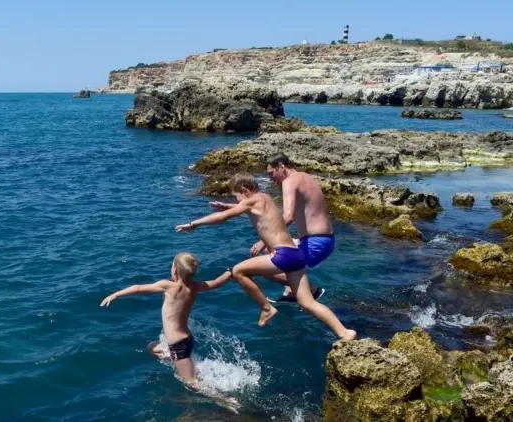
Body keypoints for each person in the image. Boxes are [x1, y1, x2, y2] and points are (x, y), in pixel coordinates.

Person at [175, 173, 356, 341]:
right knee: (307, 302)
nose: (237, 201)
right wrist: (232, 206)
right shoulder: (266, 198)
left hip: (282, 255)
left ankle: (266, 308)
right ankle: (345, 332)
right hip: (296, 254)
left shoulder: (252, 201)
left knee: (238, 271)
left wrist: (194, 224)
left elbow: (223, 217)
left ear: (245, 191)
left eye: (237, 197)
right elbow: (249, 209)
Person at [100, 252, 238, 409]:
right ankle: (179, 362)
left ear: (175, 270)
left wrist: (116, 294)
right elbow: (216, 282)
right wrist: (230, 271)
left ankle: (227, 401)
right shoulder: (195, 286)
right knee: (152, 347)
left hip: (178, 345)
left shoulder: (168, 286)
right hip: (185, 340)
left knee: (191, 383)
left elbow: (139, 288)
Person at [250, 154, 334, 303]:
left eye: (271, 174)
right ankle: (291, 291)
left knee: (265, 268)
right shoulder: (307, 178)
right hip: (325, 239)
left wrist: (262, 240)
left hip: (314, 243)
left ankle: (311, 290)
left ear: (281, 167)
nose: (271, 179)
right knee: (274, 248)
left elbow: (288, 216)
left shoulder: (289, 182)